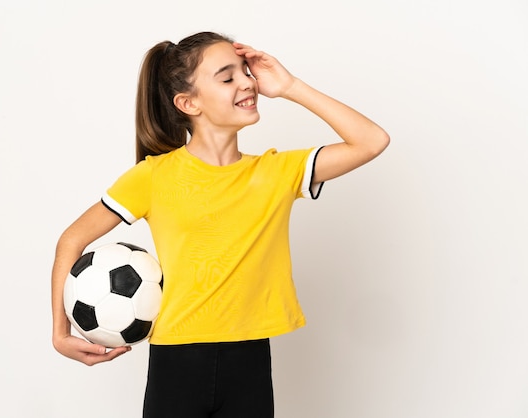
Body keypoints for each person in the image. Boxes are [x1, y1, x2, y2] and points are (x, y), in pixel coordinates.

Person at [51, 31, 389, 417]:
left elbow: (371, 141)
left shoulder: (277, 171)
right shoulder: (153, 176)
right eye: (227, 77)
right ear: (188, 102)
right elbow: (72, 239)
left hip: (251, 361)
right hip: (176, 363)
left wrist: (290, 86)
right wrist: (60, 333)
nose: (247, 81)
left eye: (245, 71)